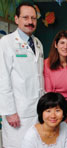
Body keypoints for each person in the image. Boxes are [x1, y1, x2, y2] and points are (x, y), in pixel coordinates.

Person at [0, 2, 44, 147]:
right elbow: (2, 78)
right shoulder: (6, 43)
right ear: (16, 19)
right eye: (25, 17)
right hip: (18, 113)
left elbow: (39, 76)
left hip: (37, 110)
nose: (30, 22)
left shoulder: (37, 43)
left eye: (33, 18)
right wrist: (9, 111)